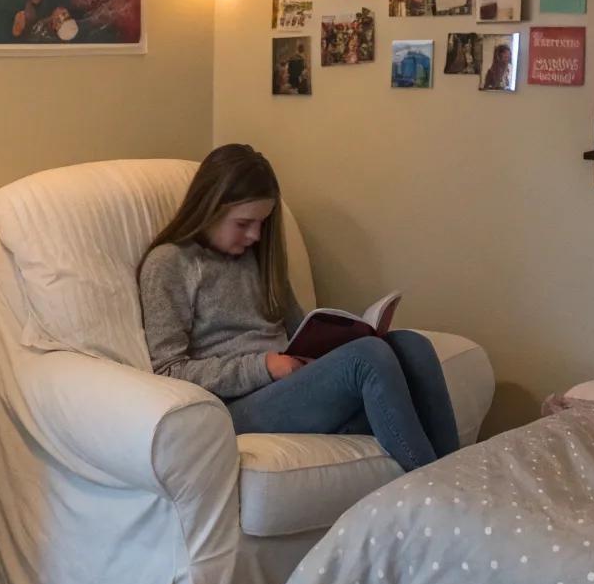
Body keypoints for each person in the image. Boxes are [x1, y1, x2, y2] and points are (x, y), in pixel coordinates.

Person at [138, 144, 459, 470]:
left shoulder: (257, 257)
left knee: (412, 345)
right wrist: (264, 366)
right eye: (243, 223)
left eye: (262, 223)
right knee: (367, 358)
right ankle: (437, 488)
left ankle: (455, 472)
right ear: (209, 208)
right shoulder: (170, 263)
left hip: (289, 384)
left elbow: (299, 329)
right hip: (238, 405)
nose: (255, 235)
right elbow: (169, 371)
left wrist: (341, 338)